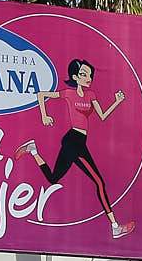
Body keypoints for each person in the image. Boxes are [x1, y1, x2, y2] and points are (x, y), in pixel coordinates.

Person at [18, 60, 134, 240]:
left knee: (53, 178)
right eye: (83, 75)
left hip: (79, 142)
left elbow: (102, 116)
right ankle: (114, 226)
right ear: (74, 77)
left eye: (89, 75)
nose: (88, 78)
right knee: (99, 182)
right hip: (73, 141)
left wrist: (117, 102)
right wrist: (44, 115)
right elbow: (41, 95)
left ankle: (33, 150)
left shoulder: (91, 95)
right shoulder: (69, 93)